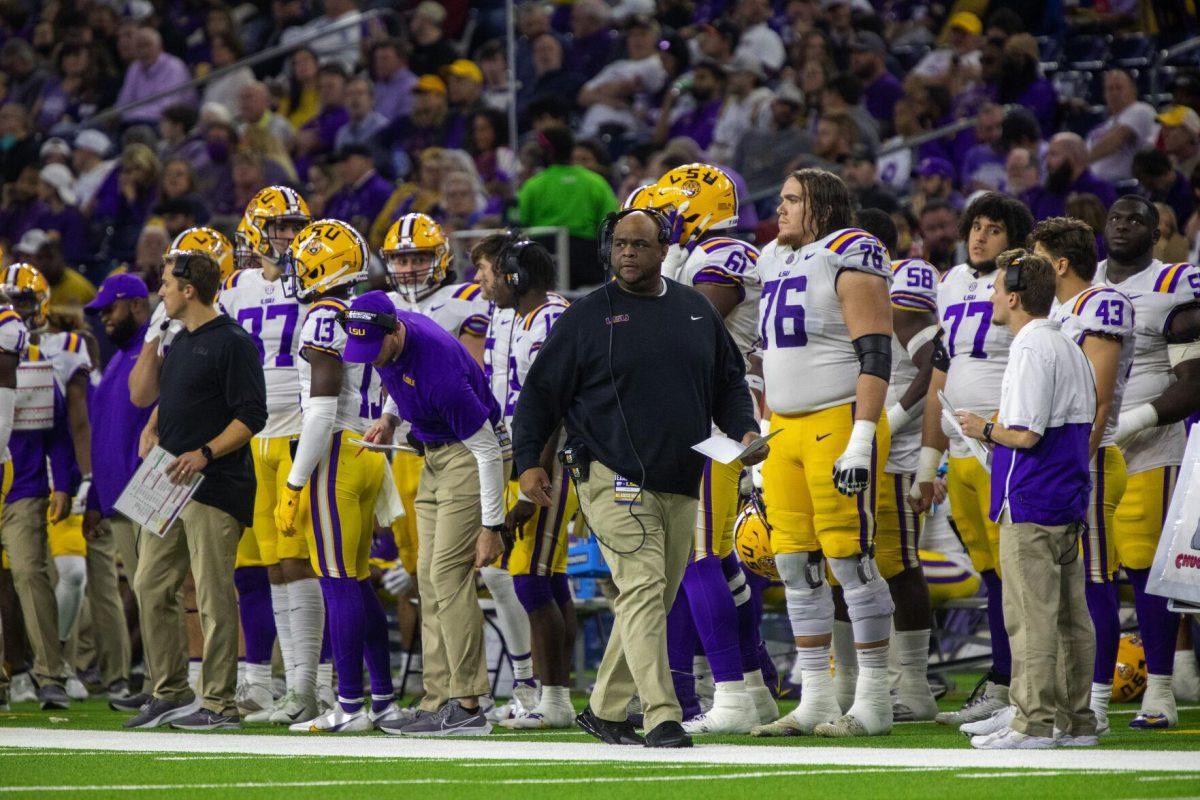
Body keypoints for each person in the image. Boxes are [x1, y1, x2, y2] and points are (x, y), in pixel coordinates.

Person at [512, 208, 763, 748]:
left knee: (652, 597)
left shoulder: (696, 311)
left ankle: (603, 710)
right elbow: (539, 395)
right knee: (645, 587)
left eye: (639, 245)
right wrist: (528, 462)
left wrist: (744, 432)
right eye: (620, 244)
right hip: (611, 474)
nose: (627, 253)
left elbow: (730, 384)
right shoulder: (586, 317)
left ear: (663, 249)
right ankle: (661, 715)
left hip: (682, 476)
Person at [626, 165, 777, 734]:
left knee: (698, 558)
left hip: (713, 421)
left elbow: (687, 326)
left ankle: (732, 696)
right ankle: (755, 687)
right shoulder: (695, 256)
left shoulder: (727, 254)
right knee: (715, 558)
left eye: (663, 217)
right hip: (695, 416)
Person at [748, 170, 895, 740]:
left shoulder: (850, 250)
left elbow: (875, 351)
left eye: (791, 200)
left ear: (822, 205)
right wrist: (761, 426)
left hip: (838, 418)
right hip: (784, 427)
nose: (779, 208)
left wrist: (862, 435)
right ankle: (814, 697)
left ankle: (875, 696)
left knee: (850, 557)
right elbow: (775, 355)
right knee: (792, 562)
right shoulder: (771, 257)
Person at [955, 251, 1097, 750]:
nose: (992, 296)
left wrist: (983, 428)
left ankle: (1033, 722)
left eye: (997, 289)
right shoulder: (1067, 343)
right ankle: (1074, 720)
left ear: (1014, 297)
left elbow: (1027, 434)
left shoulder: (1031, 346)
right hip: (1066, 495)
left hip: (1033, 498)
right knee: (1069, 617)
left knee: (1031, 616)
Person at [350, 289, 509, 737]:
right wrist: (389, 418)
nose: (369, 358)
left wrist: (491, 527)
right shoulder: (388, 335)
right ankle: (437, 698)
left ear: (395, 330)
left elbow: (488, 450)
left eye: (373, 349)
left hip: (467, 454)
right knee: (426, 576)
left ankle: (468, 703)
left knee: (447, 574)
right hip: (433, 454)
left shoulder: (439, 370)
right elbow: (393, 378)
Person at [123, 247, 266, 731]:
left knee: (212, 594)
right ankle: (170, 690)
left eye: (166, 284)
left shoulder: (233, 342)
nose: (160, 291)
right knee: (148, 583)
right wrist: (154, 423)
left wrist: (205, 453)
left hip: (213, 482)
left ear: (188, 289)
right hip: (167, 478)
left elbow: (252, 416)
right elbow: (172, 395)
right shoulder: (179, 339)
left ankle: (221, 702)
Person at [912, 192, 1034, 728]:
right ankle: (1006, 682)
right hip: (960, 449)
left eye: (994, 229)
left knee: (1018, 572)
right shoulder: (953, 281)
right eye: (975, 227)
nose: (980, 237)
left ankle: (1021, 684)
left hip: (1004, 447)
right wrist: (925, 463)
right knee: (990, 573)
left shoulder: (1025, 280)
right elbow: (941, 371)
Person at [273, 220, 399, 733]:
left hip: (336, 455)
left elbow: (321, 411)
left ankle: (349, 706)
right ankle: (383, 700)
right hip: (369, 449)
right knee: (359, 583)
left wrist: (294, 483)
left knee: (338, 582)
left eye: (303, 264)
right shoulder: (366, 310)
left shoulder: (324, 316)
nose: (295, 273)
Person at [219, 187, 324, 725]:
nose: (287, 235)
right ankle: (282, 686)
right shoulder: (234, 286)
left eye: (293, 225)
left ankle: (316, 686)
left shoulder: (313, 274)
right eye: (278, 225)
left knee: (300, 560)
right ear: (255, 228)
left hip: (300, 430)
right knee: (267, 567)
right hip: (252, 435)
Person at [1096, 196, 1200, 729]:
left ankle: (1159, 689)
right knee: (1090, 576)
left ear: (1158, 233)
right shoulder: (1081, 283)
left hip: (1150, 449)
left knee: (1146, 570)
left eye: (1136, 219)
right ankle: (1089, 693)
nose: (1122, 226)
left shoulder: (1174, 285)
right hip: (1087, 452)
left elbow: (1194, 380)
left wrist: (1130, 422)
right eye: (1115, 217)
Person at [1028, 217, 1135, 736]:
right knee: (1061, 585)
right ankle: (1058, 702)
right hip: (1063, 459)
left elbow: (1098, 398)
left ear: (1060, 264)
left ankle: (1090, 705)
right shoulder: (1062, 312)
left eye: (1037, 256)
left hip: (1087, 457)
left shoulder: (1101, 304)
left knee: (1092, 581)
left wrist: (1071, 462)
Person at [474, 235, 577, 729]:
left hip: (551, 454)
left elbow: (553, 404)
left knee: (531, 579)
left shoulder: (552, 316)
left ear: (514, 276)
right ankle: (552, 695)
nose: (481, 282)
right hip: (524, 450)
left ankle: (553, 702)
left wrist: (530, 475)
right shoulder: (515, 316)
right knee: (547, 579)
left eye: (489, 273)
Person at [855, 208, 941, 722]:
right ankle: (867, 680)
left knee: (899, 565)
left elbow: (933, 359)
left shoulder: (900, 277)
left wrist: (889, 419)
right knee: (856, 565)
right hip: (859, 451)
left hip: (897, 455)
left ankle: (914, 684)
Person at [81, 274, 155, 709]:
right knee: (147, 594)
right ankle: (155, 684)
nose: (105, 318)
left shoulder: (153, 351)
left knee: (156, 591)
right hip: (116, 499)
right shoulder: (117, 360)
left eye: (111, 308)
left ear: (136, 305)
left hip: (144, 492)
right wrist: (93, 499)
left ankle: (164, 685)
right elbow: (101, 435)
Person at [0, 263, 72, 710]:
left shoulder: (37, 360)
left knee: (29, 574)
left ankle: (50, 674)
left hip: (21, 485)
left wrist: (64, 482)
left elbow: (58, 429)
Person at [517, 127, 618, 288]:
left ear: (547, 152)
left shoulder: (532, 185)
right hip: (587, 262)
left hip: (543, 261)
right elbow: (610, 221)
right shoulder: (595, 182)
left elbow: (520, 222)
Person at [1022, 133, 1117, 222]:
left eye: (1053, 154)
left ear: (1075, 157)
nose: (1047, 161)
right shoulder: (1044, 193)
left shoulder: (1100, 190)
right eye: (1047, 155)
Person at [1086, 70, 1158, 185]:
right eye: (1110, 89)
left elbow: (1117, 139)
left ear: (1133, 91)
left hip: (1123, 187)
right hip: (1096, 185)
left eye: (1119, 88)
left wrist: (1080, 161)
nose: (1114, 93)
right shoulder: (1103, 126)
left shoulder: (1141, 110)